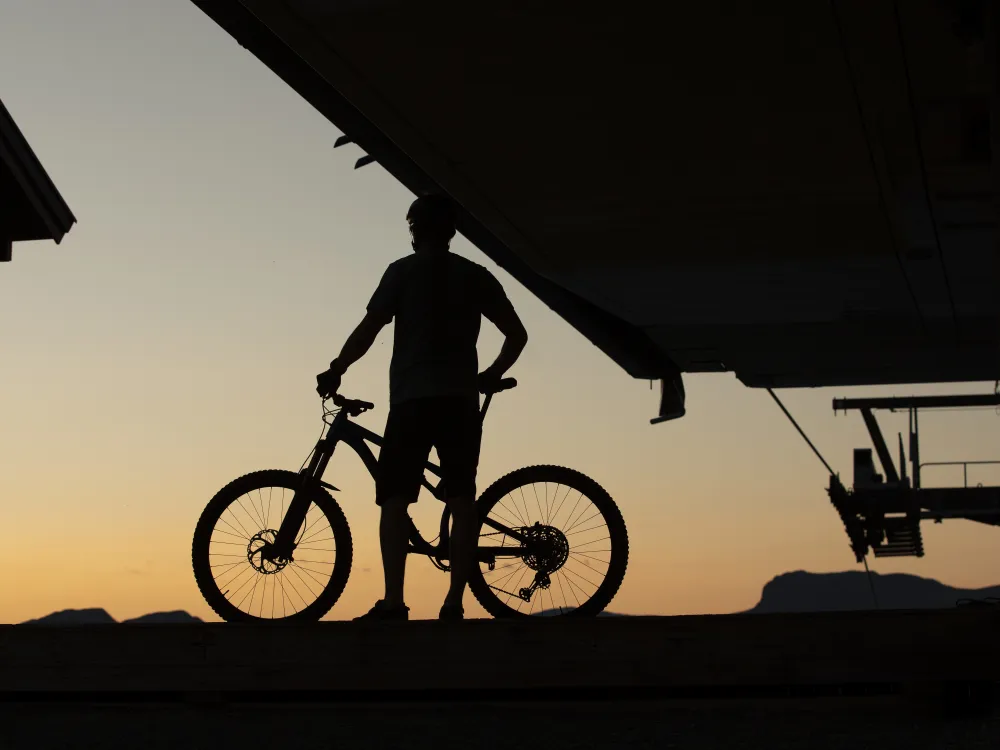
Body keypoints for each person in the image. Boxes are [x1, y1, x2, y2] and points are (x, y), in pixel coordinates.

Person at [315, 194, 528, 621]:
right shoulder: (475, 275)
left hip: (412, 401)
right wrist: (488, 374)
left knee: (394, 499)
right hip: (460, 401)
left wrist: (337, 368)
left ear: (414, 230)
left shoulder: (401, 273)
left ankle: (394, 602)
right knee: (462, 498)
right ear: (451, 232)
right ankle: (454, 604)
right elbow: (517, 335)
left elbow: (369, 329)